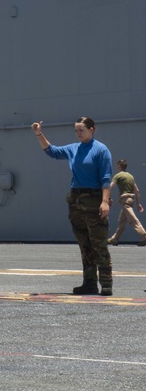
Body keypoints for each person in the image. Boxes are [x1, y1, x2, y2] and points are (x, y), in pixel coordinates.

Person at [32, 117, 113, 295]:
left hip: (94, 199)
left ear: (92, 130)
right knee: (84, 243)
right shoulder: (73, 149)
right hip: (76, 199)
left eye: (81, 130)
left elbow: (106, 178)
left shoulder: (101, 150)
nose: (78, 133)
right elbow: (51, 151)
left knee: (98, 242)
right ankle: (90, 283)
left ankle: (106, 284)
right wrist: (39, 134)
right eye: (76, 130)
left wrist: (105, 201)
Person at [107, 159, 146, 245]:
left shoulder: (118, 176)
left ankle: (144, 235)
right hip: (131, 199)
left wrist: (108, 198)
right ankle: (114, 239)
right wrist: (138, 203)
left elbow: (110, 186)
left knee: (132, 219)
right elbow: (137, 190)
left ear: (119, 166)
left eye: (118, 166)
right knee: (122, 221)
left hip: (124, 200)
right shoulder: (130, 176)